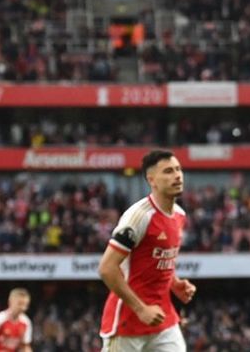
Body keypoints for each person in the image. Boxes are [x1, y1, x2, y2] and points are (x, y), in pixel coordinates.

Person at [99, 149, 196, 351]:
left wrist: (175, 283)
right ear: (152, 180)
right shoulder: (139, 217)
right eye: (168, 171)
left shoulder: (179, 215)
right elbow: (107, 269)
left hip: (163, 318)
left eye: (178, 169)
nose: (177, 175)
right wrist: (140, 309)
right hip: (128, 321)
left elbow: (156, 260)